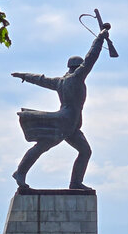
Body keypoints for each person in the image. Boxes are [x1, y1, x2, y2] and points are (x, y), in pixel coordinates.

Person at [11, 27, 110, 191]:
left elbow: (40, 80)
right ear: (78, 67)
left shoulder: (60, 81)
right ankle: (20, 172)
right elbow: (91, 58)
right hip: (65, 123)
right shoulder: (77, 78)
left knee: (84, 151)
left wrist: (24, 75)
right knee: (43, 146)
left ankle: (75, 183)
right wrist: (100, 38)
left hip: (71, 124)